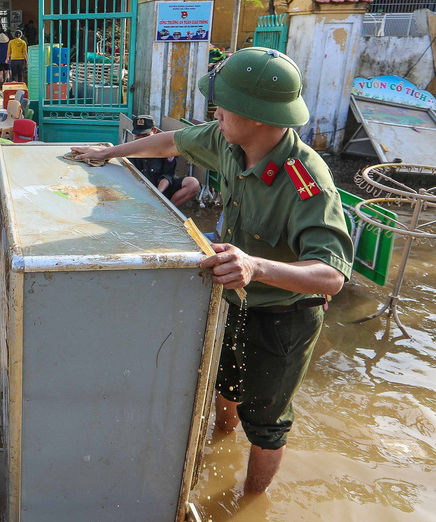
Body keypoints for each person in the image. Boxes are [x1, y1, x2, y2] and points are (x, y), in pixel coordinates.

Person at [71, 47, 354, 494]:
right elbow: (169, 141)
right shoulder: (229, 140)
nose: (215, 111)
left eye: (223, 105)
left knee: (265, 422)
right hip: (232, 297)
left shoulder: (306, 180)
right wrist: (110, 152)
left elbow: (332, 275)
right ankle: (221, 444)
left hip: (283, 318)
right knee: (223, 383)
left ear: (258, 115)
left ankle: (249, 502)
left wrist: (255, 265)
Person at [128, 115, 200, 207]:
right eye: (138, 135)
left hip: (161, 190)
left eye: (146, 135)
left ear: (154, 131)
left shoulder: (166, 148)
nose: (142, 139)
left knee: (192, 182)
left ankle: (169, 209)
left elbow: (167, 175)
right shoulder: (130, 149)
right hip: (139, 191)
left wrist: (158, 194)